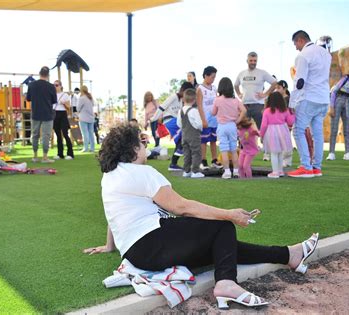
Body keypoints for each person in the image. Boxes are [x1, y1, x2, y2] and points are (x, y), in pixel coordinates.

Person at [83, 124, 320, 309]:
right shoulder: (142, 173)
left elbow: (115, 215)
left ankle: (289, 254)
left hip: (138, 254)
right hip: (152, 242)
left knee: (222, 246)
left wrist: (109, 246)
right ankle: (226, 283)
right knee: (221, 226)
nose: (146, 146)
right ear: (134, 149)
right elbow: (181, 207)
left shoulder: (111, 175)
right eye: (142, 142)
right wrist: (229, 214)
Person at [288, 30, 332, 178]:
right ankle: (316, 167)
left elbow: (299, 82)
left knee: (298, 130)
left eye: (295, 44)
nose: (295, 47)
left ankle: (306, 167)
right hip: (324, 99)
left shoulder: (303, 55)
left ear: (300, 40)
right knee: (318, 134)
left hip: (309, 98)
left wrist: (292, 102)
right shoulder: (326, 54)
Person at [235, 52, 277, 162]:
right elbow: (235, 85)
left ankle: (267, 153)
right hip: (245, 105)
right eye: (251, 60)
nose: (253, 63)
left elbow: (274, 83)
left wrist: (266, 94)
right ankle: (243, 151)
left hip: (258, 105)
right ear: (247, 60)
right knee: (242, 130)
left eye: (255, 61)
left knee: (263, 129)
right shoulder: (242, 73)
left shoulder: (262, 73)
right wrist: (239, 94)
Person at [151, 82, 194, 171]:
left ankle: (173, 164)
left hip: (176, 121)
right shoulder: (174, 97)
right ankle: (174, 164)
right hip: (170, 120)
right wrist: (153, 118)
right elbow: (162, 107)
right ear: (183, 90)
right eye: (187, 93)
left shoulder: (182, 101)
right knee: (184, 137)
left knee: (180, 142)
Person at [212, 77, 246, 179]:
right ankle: (236, 171)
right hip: (232, 125)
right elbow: (244, 110)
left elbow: (213, 113)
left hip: (222, 126)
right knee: (233, 149)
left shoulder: (217, 100)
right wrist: (238, 120)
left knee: (224, 150)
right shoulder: (235, 100)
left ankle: (227, 172)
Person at [260, 92, 295, 178]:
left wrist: (261, 135)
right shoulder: (285, 110)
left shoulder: (267, 111)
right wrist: (293, 113)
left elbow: (264, 125)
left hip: (271, 132)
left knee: (274, 153)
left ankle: (275, 172)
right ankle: (280, 171)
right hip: (283, 131)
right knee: (279, 152)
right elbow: (290, 122)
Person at [26, 66, 57, 163]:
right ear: (48, 75)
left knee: (35, 134)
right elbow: (54, 101)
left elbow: (28, 98)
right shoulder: (51, 86)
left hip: (35, 113)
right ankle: (45, 157)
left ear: (39, 74)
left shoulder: (32, 85)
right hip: (47, 114)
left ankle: (35, 156)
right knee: (46, 135)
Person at [197, 66, 222, 170]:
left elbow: (216, 102)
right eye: (212, 77)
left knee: (213, 140)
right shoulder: (200, 89)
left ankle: (214, 160)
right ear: (206, 76)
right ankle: (203, 161)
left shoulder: (214, 88)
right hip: (205, 119)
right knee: (203, 140)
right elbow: (199, 106)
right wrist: (203, 120)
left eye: (214, 77)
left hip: (214, 119)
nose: (213, 79)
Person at [177, 88, 204, 178]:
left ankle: (186, 171)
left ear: (183, 99)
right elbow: (199, 124)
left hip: (184, 135)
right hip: (194, 135)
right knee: (196, 152)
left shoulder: (180, 111)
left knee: (187, 153)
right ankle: (195, 171)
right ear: (194, 100)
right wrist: (199, 129)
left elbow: (179, 124)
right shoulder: (194, 111)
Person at [52, 79, 74, 160]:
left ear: (61, 86)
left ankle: (70, 153)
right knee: (58, 135)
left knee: (65, 133)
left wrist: (63, 103)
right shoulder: (52, 95)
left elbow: (69, 107)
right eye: (54, 85)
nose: (55, 87)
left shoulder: (65, 95)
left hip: (62, 114)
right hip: (55, 114)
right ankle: (60, 153)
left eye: (57, 85)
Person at [77, 85, 96, 152]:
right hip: (91, 118)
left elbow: (78, 108)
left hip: (83, 118)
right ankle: (92, 148)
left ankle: (85, 148)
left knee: (85, 133)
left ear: (81, 90)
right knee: (91, 133)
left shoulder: (82, 98)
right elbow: (93, 105)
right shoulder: (90, 97)